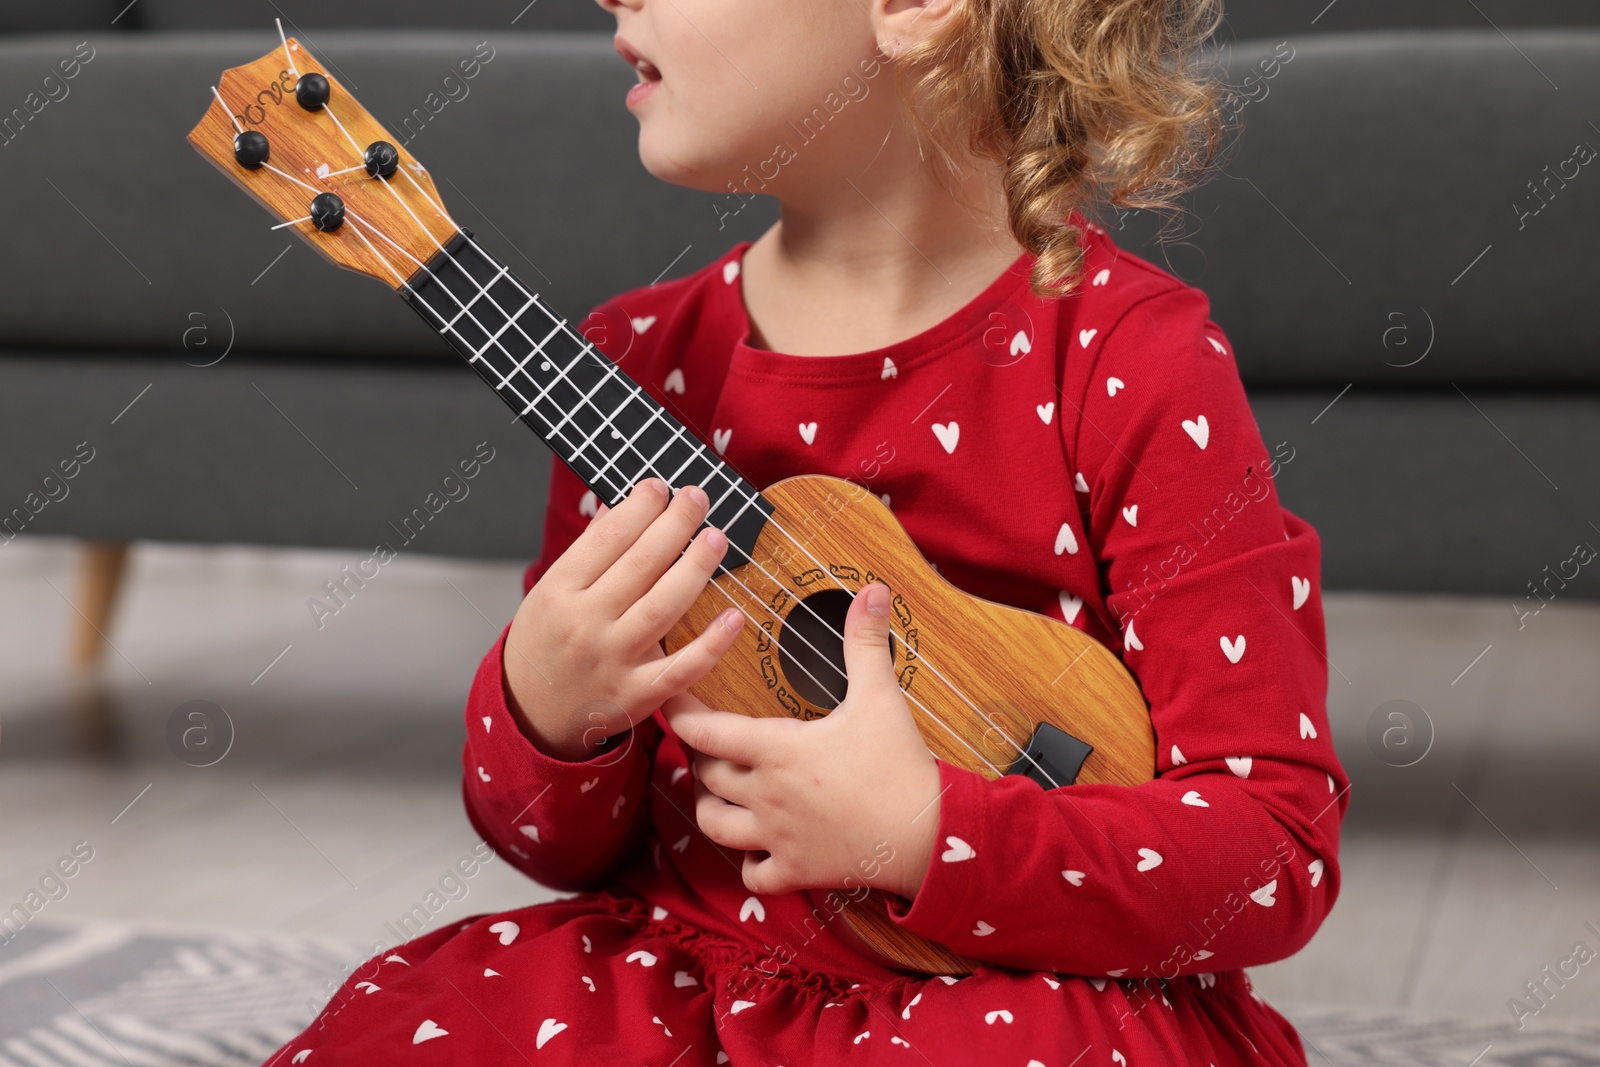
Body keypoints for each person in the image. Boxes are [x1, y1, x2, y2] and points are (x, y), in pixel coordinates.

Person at [265, 0, 1348, 1061]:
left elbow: (1275, 850)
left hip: (1021, 989)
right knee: (423, 1022)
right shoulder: (632, 363)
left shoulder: (1128, 359)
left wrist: (925, 829)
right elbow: (557, 848)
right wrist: (546, 709)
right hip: (692, 968)